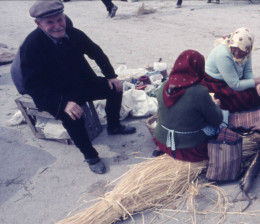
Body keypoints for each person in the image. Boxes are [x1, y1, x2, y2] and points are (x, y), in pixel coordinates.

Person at [18, 0, 135, 174]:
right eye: (50, 22)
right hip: (60, 93)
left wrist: (111, 76)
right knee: (72, 117)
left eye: (59, 20)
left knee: (115, 88)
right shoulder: (32, 46)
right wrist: (62, 103)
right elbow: (33, 84)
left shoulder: (73, 33)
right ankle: (90, 156)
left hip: (83, 83)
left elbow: (96, 52)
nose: (57, 26)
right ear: (38, 23)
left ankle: (114, 126)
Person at [153, 50, 224, 162]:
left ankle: (164, 152)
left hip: (163, 141)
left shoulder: (164, 86)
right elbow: (217, 120)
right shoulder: (199, 92)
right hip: (190, 149)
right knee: (220, 124)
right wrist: (216, 105)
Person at [201, 27, 260, 113]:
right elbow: (235, 85)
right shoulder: (222, 54)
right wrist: (259, 80)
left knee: (255, 93)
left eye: (241, 51)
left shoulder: (247, 52)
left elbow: (247, 72)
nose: (236, 54)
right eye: (235, 48)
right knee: (242, 98)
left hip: (232, 79)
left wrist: (257, 85)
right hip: (215, 82)